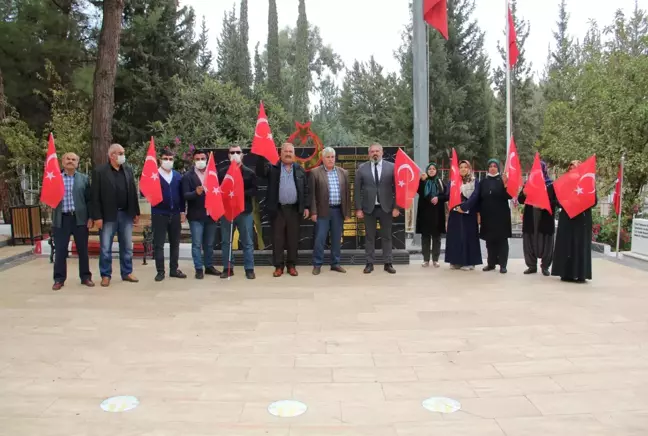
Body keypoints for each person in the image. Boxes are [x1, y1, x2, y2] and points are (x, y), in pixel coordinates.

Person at [256, 143, 310, 277]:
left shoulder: (299, 169)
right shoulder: (273, 168)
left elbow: (306, 190)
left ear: (294, 154)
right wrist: (261, 156)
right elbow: (260, 172)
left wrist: (307, 207)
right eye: (285, 151)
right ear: (280, 153)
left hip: (294, 210)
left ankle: (291, 265)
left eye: (290, 151)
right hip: (277, 209)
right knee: (277, 239)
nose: (288, 153)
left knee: (293, 239)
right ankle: (278, 266)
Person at [91, 143, 140, 287]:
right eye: (120, 153)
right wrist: (97, 217)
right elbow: (95, 196)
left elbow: (133, 192)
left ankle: (127, 272)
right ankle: (105, 275)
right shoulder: (100, 171)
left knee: (127, 246)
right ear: (111, 155)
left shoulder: (128, 170)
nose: (123, 155)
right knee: (105, 247)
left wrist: (135, 212)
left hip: (125, 214)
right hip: (107, 216)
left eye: (123, 153)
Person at [51, 152, 94, 290]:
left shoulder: (84, 179)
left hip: (79, 219)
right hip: (61, 219)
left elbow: (89, 201)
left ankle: (86, 277)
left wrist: (90, 217)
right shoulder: (55, 178)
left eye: (73, 159)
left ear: (77, 163)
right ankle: (59, 279)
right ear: (62, 161)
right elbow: (48, 196)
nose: (70, 161)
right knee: (60, 250)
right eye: (68, 159)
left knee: (83, 250)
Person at [355, 143, 399, 274]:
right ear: (369, 154)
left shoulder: (392, 167)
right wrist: (358, 208)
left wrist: (397, 207)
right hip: (369, 208)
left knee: (387, 236)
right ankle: (369, 263)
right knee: (369, 237)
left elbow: (398, 189)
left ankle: (388, 263)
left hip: (387, 208)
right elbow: (357, 190)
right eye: (372, 151)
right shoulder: (361, 168)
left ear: (382, 152)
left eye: (377, 151)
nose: (375, 153)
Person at [551, 160, 595, 283]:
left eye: (576, 167)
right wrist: (567, 203)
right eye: (571, 167)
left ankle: (581, 274)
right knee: (566, 245)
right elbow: (556, 200)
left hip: (582, 219)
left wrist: (580, 201)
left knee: (579, 245)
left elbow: (593, 200)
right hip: (567, 218)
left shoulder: (587, 182)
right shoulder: (563, 183)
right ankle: (565, 273)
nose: (573, 169)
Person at [309, 147, 351, 275]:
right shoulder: (315, 172)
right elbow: (312, 195)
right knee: (320, 239)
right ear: (322, 158)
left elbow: (347, 194)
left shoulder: (343, 172)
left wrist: (347, 213)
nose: (330, 159)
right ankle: (317, 264)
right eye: (328, 157)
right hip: (322, 212)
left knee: (337, 238)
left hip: (338, 211)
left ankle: (335, 263)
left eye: (332, 157)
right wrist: (313, 212)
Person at [182, 149, 221, 279]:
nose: (200, 161)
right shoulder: (188, 176)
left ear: (207, 159)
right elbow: (185, 195)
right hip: (196, 216)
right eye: (197, 159)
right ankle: (199, 268)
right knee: (197, 244)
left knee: (209, 244)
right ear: (194, 161)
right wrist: (195, 193)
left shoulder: (213, 174)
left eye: (202, 159)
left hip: (211, 214)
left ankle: (209, 266)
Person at [219, 145, 257, 280]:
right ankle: (227, 268)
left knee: (247, 241)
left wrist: (239, 193)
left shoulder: (249, 172)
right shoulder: (222, 173)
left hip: (244, 211)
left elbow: (254, 191)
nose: (235, 154)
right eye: (232, 152)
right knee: (226, 241)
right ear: (228, 155)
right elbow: (219, 191)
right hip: (227, 212)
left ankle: (249, 269)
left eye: (238, 152)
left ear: (242, 155)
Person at [151, 149, 186, 282]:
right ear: (160, 159)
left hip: (175, 213)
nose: (168, 161)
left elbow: (182, 196)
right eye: (166, 158)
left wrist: (182, 211)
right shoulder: (154, 175)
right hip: (159, 214)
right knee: (159, 244)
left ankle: (173, 269)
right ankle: (160, 271)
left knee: (175, 243)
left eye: (171, 159)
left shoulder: (177, 176)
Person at [519, 160, 557, 276]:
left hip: (545, 217)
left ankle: (545, 266)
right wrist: (524, 194)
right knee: (529, 240)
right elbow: (520, 200)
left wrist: (545, 204)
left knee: (546, 241)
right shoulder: (528, 183)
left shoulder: (550, 184)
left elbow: (556, 201)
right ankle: (531, 266)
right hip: (530, 217)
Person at [444, 160, 482, 271]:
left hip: (469, 213)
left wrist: (464, 207)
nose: (463, 169)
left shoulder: (474, 181)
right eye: (461, 167)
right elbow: (448, 195)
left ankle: (470, 262)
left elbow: (475, 196)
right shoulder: (453, 182)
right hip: (455, 213)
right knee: (455, 236)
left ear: (469, 169)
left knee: (468, 236)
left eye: (466, 167)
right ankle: (456, 261)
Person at [478, 159, 512, 274]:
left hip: (501, 216)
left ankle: (503, 265)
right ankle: (491, 263)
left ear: (498, 168)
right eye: (490, 166)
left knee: (502, 240)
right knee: (490, 240)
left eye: (495, 166)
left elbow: (509, 195)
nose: (492, 168)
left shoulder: (502, 180)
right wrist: (478, 213)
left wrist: (506, 184)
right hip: (487, 216)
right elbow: (479, 198)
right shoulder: (483, 181)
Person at [416, 162, 447, 268]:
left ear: (436, 170)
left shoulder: (440, 181)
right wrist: (422, 180)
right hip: (425, 214)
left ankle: (435, 259)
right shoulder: (424, 181)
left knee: (436, 237)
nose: (432, 170)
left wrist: (438, 198)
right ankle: (425, 259)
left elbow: (446, 195)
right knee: (425, 237)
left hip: (437, 214)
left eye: (434, 169)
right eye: (430, 169)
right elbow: (419, 191)